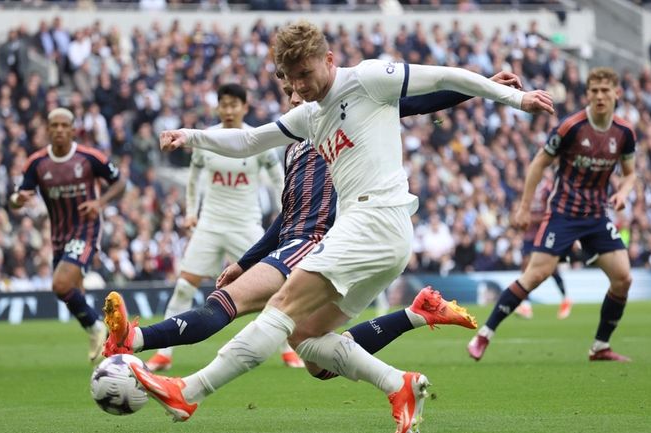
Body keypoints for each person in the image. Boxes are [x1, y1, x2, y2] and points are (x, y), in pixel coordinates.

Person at [109, 20, 552, 432]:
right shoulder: (309, 115)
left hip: (376, 218)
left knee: (282, 305)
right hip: (371, 232)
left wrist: (516, 99)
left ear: (329, 59)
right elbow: (248, 140)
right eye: (291, 78)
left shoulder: (368, 78)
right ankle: (399, 384)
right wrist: (191, 135)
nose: (300, 86)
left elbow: (441, 79)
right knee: (306, 339)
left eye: (305, 73)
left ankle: (190, 391)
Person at [103, 70, 524, 377]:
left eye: (298, 88)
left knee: (227, 304)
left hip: (322, 241)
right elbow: (287, 213)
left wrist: (484, 87)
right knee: (317, 361)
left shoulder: (346, 118)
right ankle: (415, 314)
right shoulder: (295, 141)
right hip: (299, 241)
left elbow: (418, 102)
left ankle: (139, 343)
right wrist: (249, 261)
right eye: (287, 92)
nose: (293, 97)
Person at [467, 67, 636, 363]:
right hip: (564, 214)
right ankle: (484, 334)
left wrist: (623, 192)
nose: (599, 96)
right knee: (536, 275)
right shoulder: (571, 127)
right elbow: (538, 164)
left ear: (616, 94)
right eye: (594, 90)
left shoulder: (623, 133)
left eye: (605, 90)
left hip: (597, 216)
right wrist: (523, 206)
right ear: (587, 94)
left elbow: (631, 173)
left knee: (623, 278)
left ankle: (600, 347)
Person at [143, 83, 292, 371]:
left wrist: (288, 211)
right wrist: (190, 212)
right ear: (218, 107)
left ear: (244, 107)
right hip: (210, 223)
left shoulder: (256, 139)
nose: (228, 110)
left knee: (276, 287)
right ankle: (164, 352)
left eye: (234, 104)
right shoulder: (207, 138)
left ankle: (288, 348)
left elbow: (278, 180)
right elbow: (193, 178)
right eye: (223, 104)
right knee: (185, 286)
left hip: (245, 225)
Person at [10, 107, 125, 361]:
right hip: (59, 235)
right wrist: (17, 199)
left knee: (60, 285)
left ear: (73, 130)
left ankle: (96, 327)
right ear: (48, 130)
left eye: (65, 125)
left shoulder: (89, 157)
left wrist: (100, 203)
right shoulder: (37, 163)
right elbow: (16, 200)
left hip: (87, 228)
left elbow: (120, 182)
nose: (60, 130)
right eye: (55, 126)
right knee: (73, 290)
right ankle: (112, 343)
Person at [513, 169, 572, 320]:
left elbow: (551, 213)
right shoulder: (527, 189)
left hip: (544, 232)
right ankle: (526, 305)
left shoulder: (547, 188)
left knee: (551, 269)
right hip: (529, 234)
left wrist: (531, 219)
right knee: (525, 267)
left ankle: (565, 299)